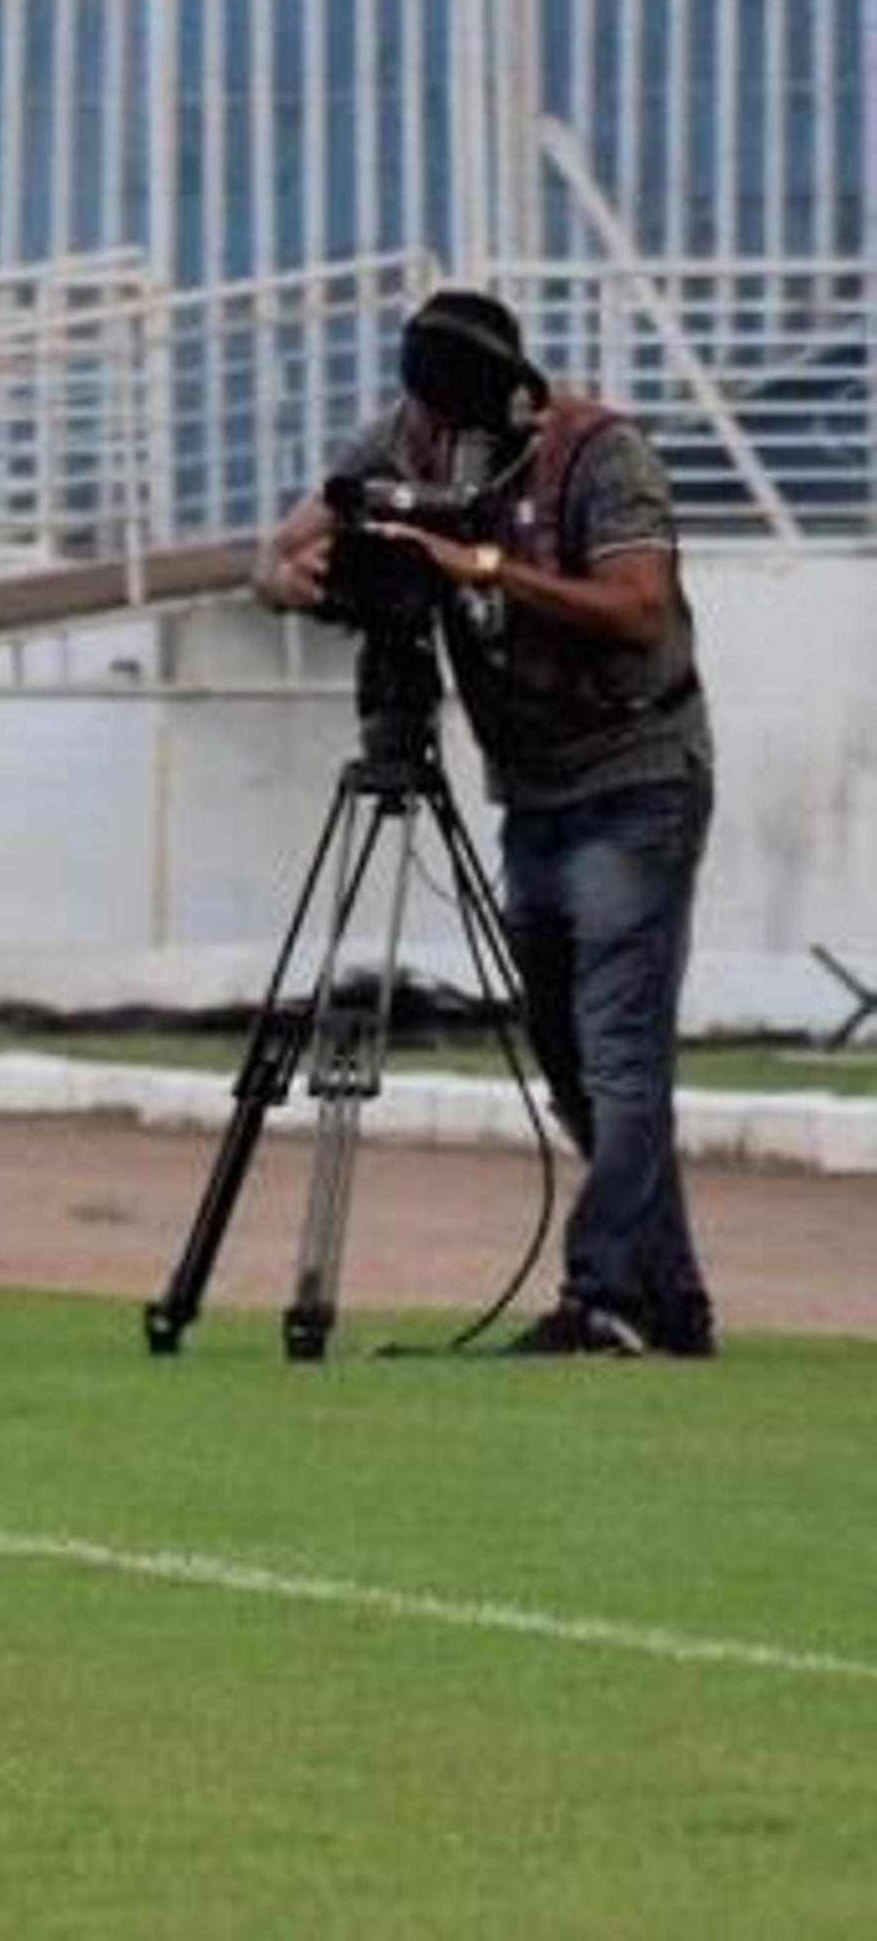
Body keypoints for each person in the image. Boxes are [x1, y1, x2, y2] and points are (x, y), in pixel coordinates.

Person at [254, 288, 719, 1358]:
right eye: (433, 424)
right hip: (529, 787)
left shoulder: (601, 453)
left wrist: (490, 567)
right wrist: (300, 577)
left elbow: (640, 603)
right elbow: (275, 555)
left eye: (467, 427)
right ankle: (672, 1300)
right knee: (564, 1053)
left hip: (636, 771)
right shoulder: (400, 440)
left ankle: (603, 1295)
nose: (447, 446)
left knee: (619, 1053)